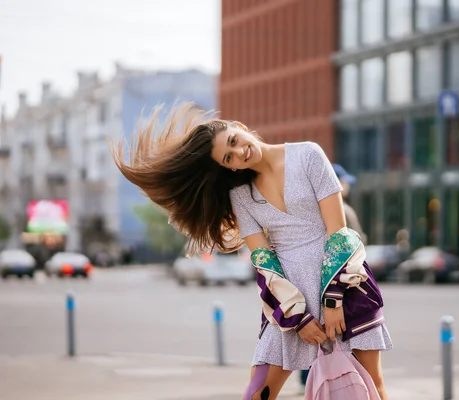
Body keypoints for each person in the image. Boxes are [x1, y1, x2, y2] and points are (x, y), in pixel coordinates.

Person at [109, 104, 393, 400]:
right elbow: (264, 261)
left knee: (372, 385)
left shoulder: (309, 154)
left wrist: (333, 301)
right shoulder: (241, 195)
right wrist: (298, 318)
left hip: (344, 286)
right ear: (229, 168)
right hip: (290, 298)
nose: (239, 152)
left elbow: (340, 234)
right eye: (228, 157)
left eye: (233, 141)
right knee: (258, 393)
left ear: (240, 127)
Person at [298, 163, 366, 393]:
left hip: (316, 284)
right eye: (343, 181)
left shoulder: (309, 210)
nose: (346, 186)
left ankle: (309, 381)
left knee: (318, 341)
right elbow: (354, 244)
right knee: (336, 343)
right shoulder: (343, 211)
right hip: (341, 286)